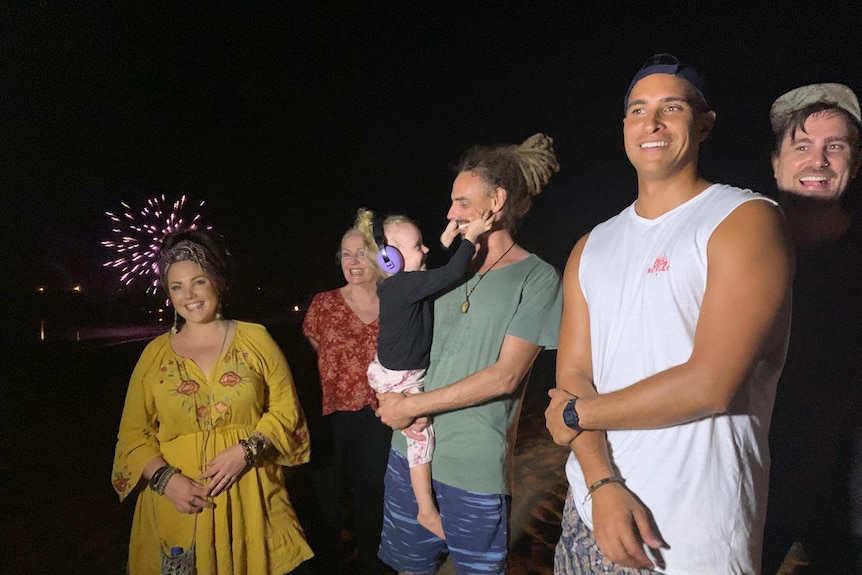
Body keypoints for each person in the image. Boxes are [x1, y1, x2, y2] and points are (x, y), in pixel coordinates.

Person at [544, 53, 794, 574]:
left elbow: (709, 385)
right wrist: (602, 483)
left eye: (671, 107)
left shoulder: (744, 220)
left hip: (688, 534)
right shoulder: (591, 246)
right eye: (637, 110)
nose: (651, 123)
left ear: (704, 125)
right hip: (589, 511)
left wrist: (574, 416)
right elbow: (573, 374)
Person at [375, 132, 563, 575]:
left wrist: (412, 405)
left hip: (473, 466)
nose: (450, 212)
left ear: (495, 202)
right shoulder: (444, 271)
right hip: (409, 452)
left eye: (461, 202)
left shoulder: (537, 279)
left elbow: (506, 377)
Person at [111, 228, 313, 575]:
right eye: (177, 287)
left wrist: (246, 450)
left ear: (217, 281)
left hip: (250, 495)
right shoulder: (154, 355)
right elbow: (132, 435)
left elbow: (286, 409)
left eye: (198, 282)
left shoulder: (256, 339)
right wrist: (164, 479)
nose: (188, 295)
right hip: (177, 505)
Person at [761, 83, 862, 575]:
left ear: (854, 163)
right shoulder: (735, 249)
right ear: (776, 164)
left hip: (848, 499)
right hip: (751, 482)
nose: (817, 160)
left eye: (834, 147)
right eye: (801, 147)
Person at [358, 207, 492, 540]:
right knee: (421, 438)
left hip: (388, 372)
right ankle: (426, 510)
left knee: (417, 424)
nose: (426, 249)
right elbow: (452, 274)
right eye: (419, 246)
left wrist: (448, 241)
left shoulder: (401, 284)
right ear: (391, 259)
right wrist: (471, 236)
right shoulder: (403, 286)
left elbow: (435, 270)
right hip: (401, 377)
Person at [301, 221, 392, 575]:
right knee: (325, 506)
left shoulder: (394, 303)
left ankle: (371, 566)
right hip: (330, 419)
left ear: (377, 257)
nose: (353, 261)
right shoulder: (323, 305)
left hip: (379, 420)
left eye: (362, 254)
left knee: (373, 503)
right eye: (346, 254)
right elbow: (315, 360)